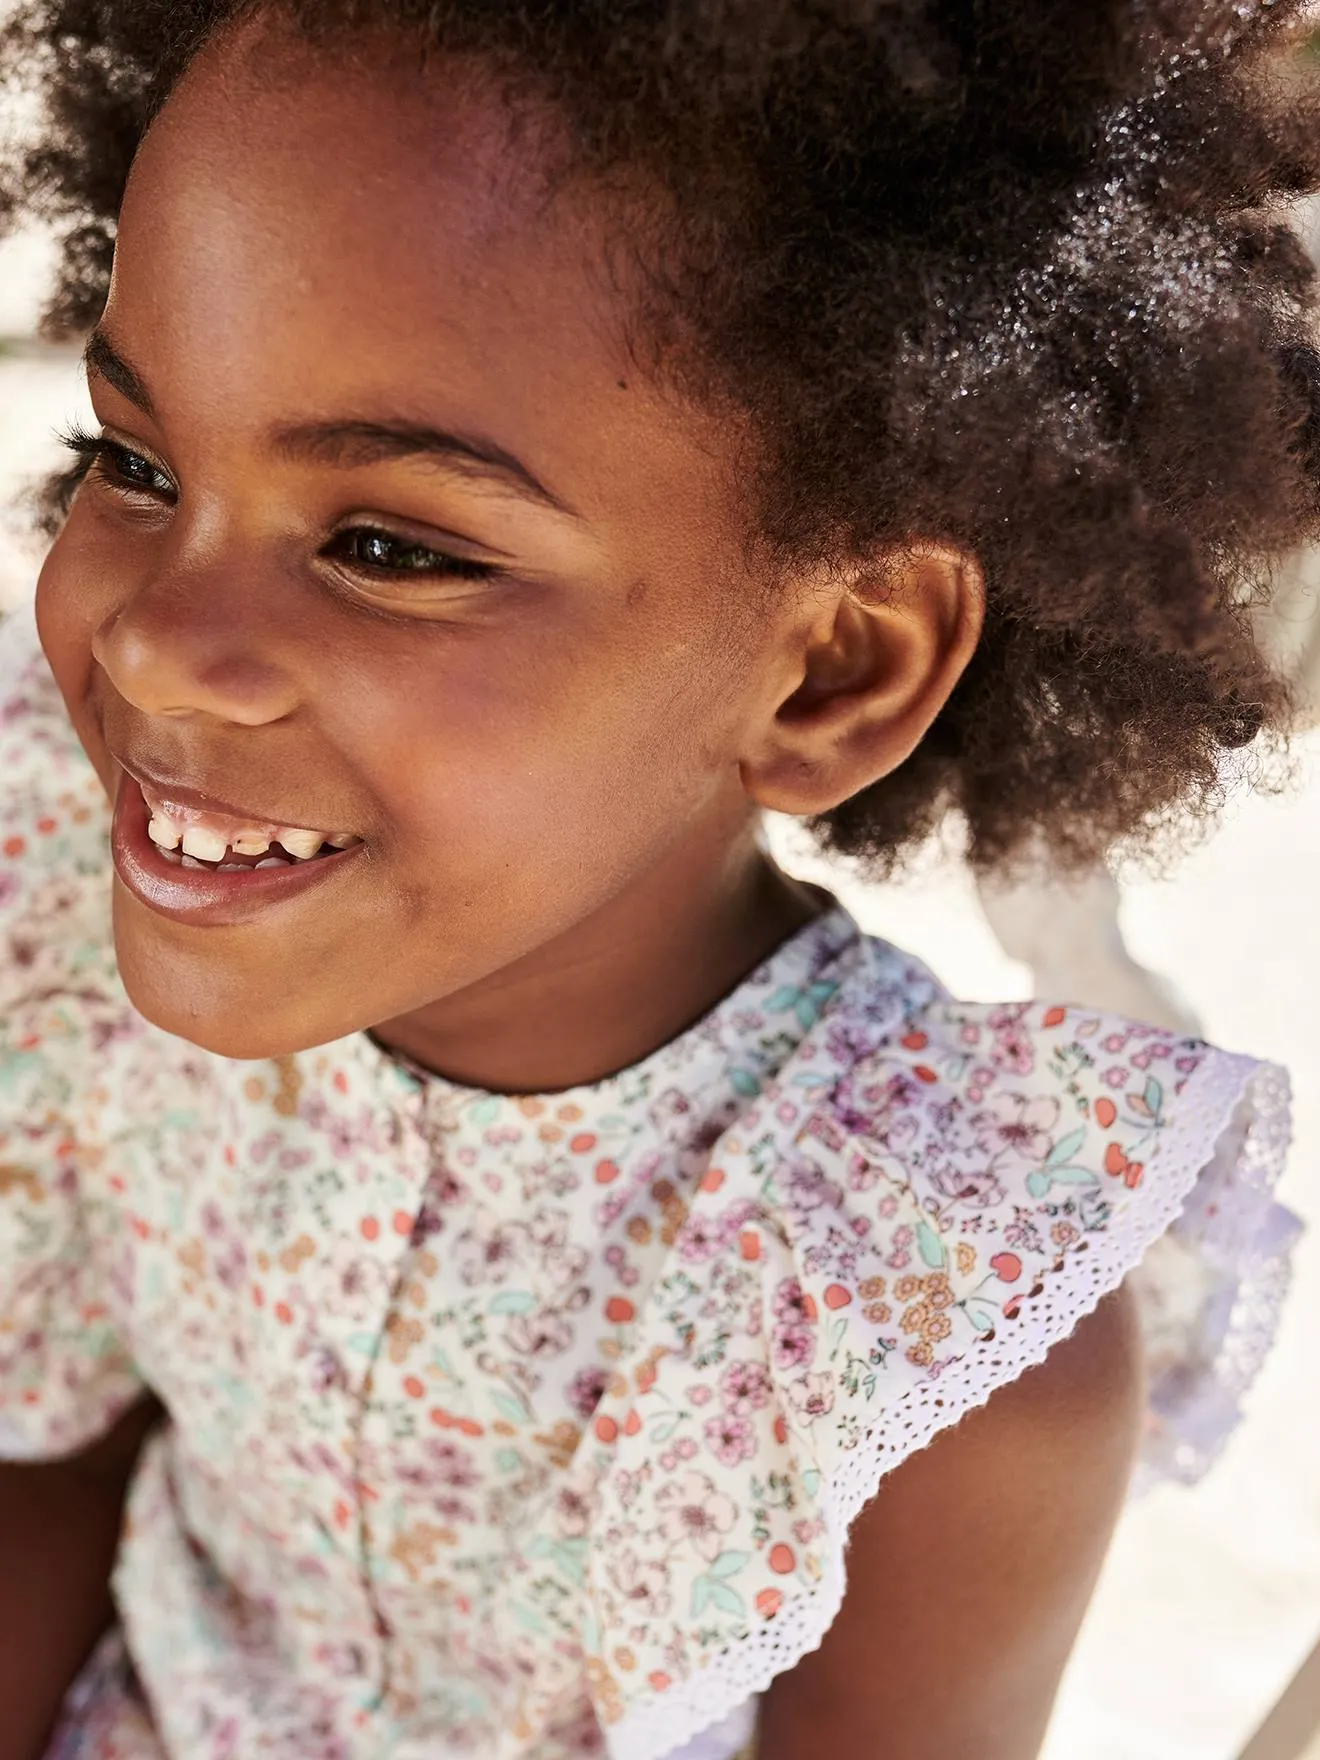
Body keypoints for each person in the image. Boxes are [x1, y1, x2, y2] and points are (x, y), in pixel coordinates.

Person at [0, 4, 1312, 1758]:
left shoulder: (924, 1326)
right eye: (136, 464)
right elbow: (47, 1471)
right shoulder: (87, 932)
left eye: (389, 545)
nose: (158, 647)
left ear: (832, 672)